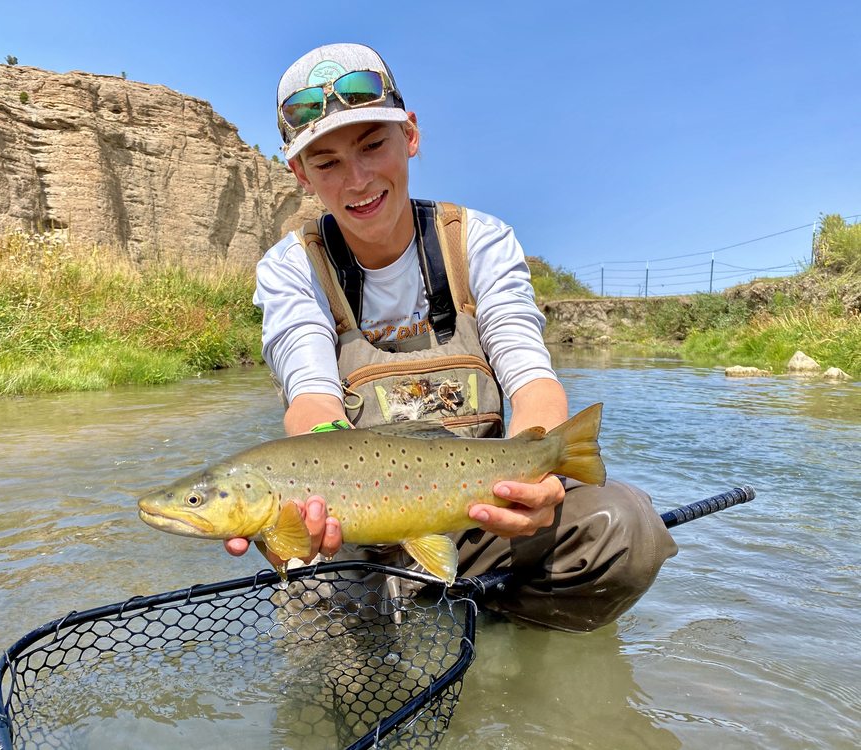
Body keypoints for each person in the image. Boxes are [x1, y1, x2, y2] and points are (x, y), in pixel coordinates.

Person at [224, 43, 677, 631]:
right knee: (329, 642)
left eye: (372, 145)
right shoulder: (291, 267)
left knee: (627, 529)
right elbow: (312, 399)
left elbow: (531, 375)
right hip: (355, 537)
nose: (357, 179)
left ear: (410, 135)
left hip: (486, 516)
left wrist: (534, 480)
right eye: (327, 161)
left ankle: (519, 637)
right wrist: (310, 498)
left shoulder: (480, 241)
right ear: (300, 173)